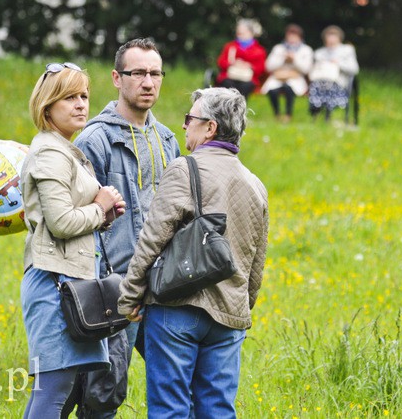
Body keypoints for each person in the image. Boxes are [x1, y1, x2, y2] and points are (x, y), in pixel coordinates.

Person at [118, 87, 269, 418]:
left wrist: (129, 296)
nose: (185, 126)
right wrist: (241, 308)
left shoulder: (184, 168)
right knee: (217, 410)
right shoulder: (255, 184)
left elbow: (152, 239)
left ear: (210, 127)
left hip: (176, 308)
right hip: (229, 317)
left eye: (191, 119)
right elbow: (257, 262)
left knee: (170, 410)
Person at [66, 38, 181, 417]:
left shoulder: (166, 140)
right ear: (117, 78)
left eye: (155, 73)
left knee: (176, 380)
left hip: (163, 284)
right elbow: (79, 218)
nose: (148, 82)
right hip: (115, 287)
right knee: (104, 391)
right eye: (138, 73)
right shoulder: (94, 140)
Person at [20, 61, 127, 418]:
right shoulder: (50, 153)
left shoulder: (66, 150)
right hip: (53, 283)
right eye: (69, 97)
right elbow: (62, 222)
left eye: (83, 95)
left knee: (57, 388)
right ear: (47, 105)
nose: (81, 104)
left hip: (69, 280)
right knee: (53, 390)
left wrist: (105, 214)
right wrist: (100, 207)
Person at [261, 23, 313, 122]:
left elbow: (306, 69)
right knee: (273, 91)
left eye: (294, 36)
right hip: (277, 78)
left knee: (289, 89)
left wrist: (294, 60)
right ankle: (277, 114)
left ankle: (288, 114)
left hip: (295, 79)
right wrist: (282, 59)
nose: (292, 38)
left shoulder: (306, 50)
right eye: (290, 35)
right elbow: (268, 66)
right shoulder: (278, 48)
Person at [308, 25, 359, 121]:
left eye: (334, 36)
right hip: (321, 80)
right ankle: (315, 110)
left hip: (340, 82)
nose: (331, 39)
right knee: (315, 86)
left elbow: (354, 69)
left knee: (330, 86)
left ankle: (328, 113)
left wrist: (338, 64)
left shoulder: (347, 50)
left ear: (339, 38)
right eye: (329, 37)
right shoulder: (319, 53)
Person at [215, 18, 267, 99]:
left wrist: (250, 66)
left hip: (248, 79)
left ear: (251, 33)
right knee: (227, 85)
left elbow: (261, 69)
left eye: (243, 33)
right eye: (238, 33)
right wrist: (232, 64)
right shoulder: (230, 46)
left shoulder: (259, 50)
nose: (240, 35)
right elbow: (220, 62)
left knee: (245, 87)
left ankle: (238, 109)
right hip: (229, 76)